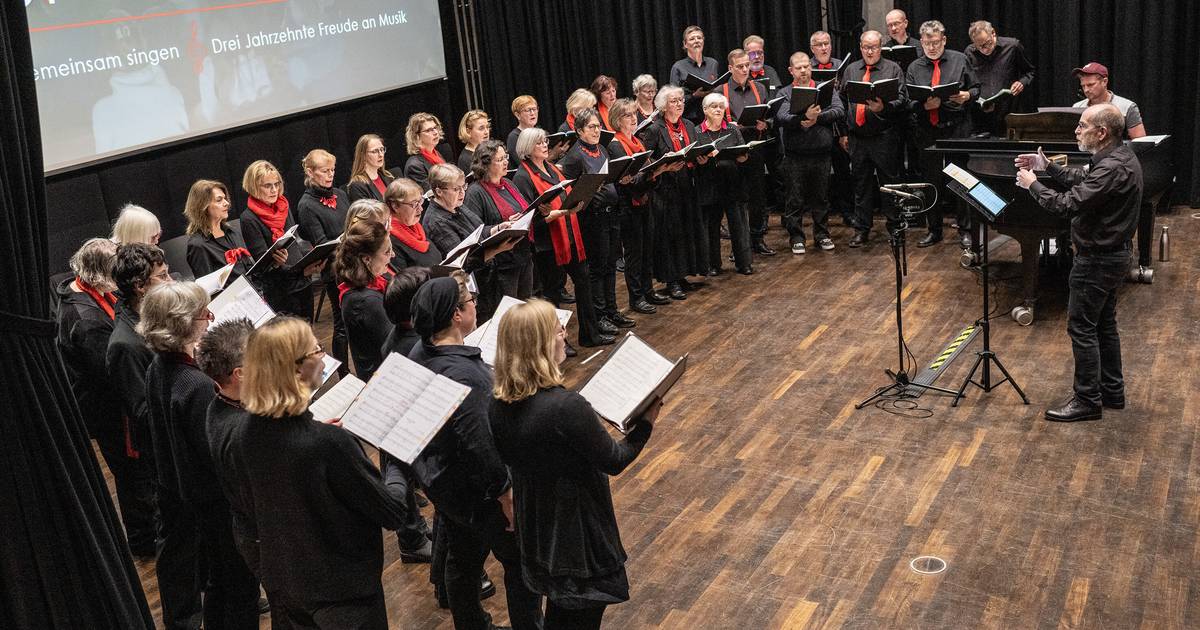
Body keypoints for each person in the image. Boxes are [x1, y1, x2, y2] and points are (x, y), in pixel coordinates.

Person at [490, 299, 659, 630]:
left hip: (538, 526)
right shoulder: (565, 407)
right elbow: (615, 459)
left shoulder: (497, 403)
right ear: (539, 344)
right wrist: (647, 424)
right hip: (575, 536)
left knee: (559, 616)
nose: (564, 334)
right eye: (557, 330)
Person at [231, 316, 404, 628]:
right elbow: (392, 512)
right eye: (316, 351)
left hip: (288, 587)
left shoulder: (245, 431)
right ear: (297, 368)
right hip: (344, 595)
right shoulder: (327, 443)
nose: (324, 357)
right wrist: (397, 461)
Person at [407, 275, 543, 630]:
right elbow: (479, 443)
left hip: (442, 479)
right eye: (469, 301)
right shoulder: (467, 376)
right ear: (455, 315)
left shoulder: (420, 352)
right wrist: (505, 493)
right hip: (477, 490)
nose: (475, 304)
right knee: (518, 563)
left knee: (462, 558)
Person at [141, 282, 259, 629]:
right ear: (182, 325)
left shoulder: (158, 368)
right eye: (202, 313)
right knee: (239, 590)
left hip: (189, 498)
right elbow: (222, 453)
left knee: (218, 586)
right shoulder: (198, 386)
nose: (210, 317)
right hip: (218, 506)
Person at [1015, 104, 1143, 422]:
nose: (1077, 130)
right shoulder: (1116, 157)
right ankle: (1112, 392)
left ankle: (1087, 399)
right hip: (1113, 256)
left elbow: (1068, 204)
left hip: (1098, 260)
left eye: (1082, 125)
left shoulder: (1112, 168)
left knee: (1082, 328)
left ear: (1102, 132)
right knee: (1104, 325)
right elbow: (1081, 177)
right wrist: (1047, 166)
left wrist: (1033, 184)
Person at [58, 239, 156, 557]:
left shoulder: (89, 290)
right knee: (132, 476)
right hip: (109, 412)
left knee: (137, 475)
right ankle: (144, 542)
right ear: (102, 276)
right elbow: (111, 371)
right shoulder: (85, 321)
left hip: (114, 403)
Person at [512, 127, 612, 347]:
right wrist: (558, 213)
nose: (545, 145)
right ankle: (559, 341)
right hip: (546, 243)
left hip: (569, 233)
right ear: (528, 149)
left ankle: (590, 335)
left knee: (584, 281)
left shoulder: (552, 168)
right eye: (539, 143)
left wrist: (574, 203)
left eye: (545, 141)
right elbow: (529, 221)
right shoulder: (522, 177)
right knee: (553, 293)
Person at [105, 243, 171, 557]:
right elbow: (143, 411)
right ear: (140, 287)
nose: (171, 281)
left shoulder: (151, 320)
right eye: (163, 276)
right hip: (160, 458)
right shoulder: (124, 344)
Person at [907, 20, 979, 249]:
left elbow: (976, 89)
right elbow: (907, 102)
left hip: (957, 127)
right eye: (927, 42)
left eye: (935, 42)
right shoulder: (914, 67)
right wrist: (922, 106)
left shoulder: (960, 59)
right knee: (932, 183)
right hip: (928, 130)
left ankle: (965, 230)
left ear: (944, 40)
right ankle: (934, 230)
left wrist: (968, 95)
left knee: (961, 179)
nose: (931, 47)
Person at [558, 109, 631, 332]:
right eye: (591, 127)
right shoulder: (574, 156)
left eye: (598, 126)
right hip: (592, 219)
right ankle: (599, 315)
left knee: (610, 265)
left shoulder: (601, 149)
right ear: (579, 131)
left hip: (611, 214)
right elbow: (569, 191)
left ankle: (612, 310)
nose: (597, 130)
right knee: (598, 268)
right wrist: (589, 189)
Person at [841, 31, 909, 247]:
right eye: (866, 47)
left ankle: (895, 228)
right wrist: (842, 132)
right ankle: (862, 229)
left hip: (883, 137)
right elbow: (842, 101)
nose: (870, 51)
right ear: (860, 47)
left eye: (874, 47)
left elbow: (903, 100)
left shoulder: (892, 68)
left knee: (889, 184)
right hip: (857, 138)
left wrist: (884, 107)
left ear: (881, 48)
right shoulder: (851, 69)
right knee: (860, 185)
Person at [776, 51, 845, 254]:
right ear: (791, 71)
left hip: (821, 153)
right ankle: (796, 236)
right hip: (795, 155)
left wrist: (818, 117)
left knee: (821, 197)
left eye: (806, 66)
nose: (804, 70)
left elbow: (839, 110)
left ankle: (822, 234)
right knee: (795, 198)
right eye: (799, 67)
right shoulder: (785, 93)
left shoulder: (824, 89)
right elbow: (782, 116)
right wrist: (802, 119)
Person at [607, 98, 672, 314]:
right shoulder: (616, 145)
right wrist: (654, 173)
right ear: (617, 119)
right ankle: (636, 297)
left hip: (645, 201)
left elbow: (643, 173)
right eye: (628, 115)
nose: (634, 118)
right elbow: (628, 181)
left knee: (647, 249)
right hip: (629, 206)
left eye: (634, 114)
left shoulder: (637, 141)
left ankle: (648, 290)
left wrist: (655, 172)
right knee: (635, 253)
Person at [239, 160, 324, 318]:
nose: (274, 190)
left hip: (302, 281)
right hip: (281, 289)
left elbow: (294, 245)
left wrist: (309, 264)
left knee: (308, 333)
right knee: (290, 340)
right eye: (267, 186)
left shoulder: (282, 206)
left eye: (277, 184)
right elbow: (262, 263)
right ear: (254, 186)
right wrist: (284, 266)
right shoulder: (249, 218)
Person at [643, 85, 706, 299]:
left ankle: (682, 274)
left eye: (680, 100)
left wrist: (701, 158)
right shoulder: (654, 129)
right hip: (665, 189)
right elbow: (646, 162)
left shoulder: (688, 125)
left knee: (685, 230)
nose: (679, 104)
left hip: (687, 185)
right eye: (673, 101)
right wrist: (665, 167)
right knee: (669, 235)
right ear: (663, 106)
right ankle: (671, 280)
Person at [464, 140, 533, 320]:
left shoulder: (508, 184)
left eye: (506, 157)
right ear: (485, 164)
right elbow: (475, 231)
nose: (505, 162)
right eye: (500, 159)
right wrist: (501, 226)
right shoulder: (475, 192)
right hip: (501, 266)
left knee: (525, 313)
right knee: (509, 318)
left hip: (522, 256)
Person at [296, 149, 350, 373]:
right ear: (310, 172)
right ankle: (344, 374)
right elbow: (321, 244)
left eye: (332, 170)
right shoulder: (306, 205)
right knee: (342, 326)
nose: (330, 175)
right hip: (335, 269)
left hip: (356, 261)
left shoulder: (340, 194)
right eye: (324, 171)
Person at [722, 48, 775, 255]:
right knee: (737, 199)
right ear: (730, 68)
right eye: (740, 66)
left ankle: (757, 238)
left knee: (757, 197)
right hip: (734, 152)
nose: (745, 70)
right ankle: (739, 245)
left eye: (747, 65)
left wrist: (766, 124)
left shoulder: (759, 88)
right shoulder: (721, 91)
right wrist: (731, 126)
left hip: (755, 148)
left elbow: (769, 116)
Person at [694, 93, 752, 274]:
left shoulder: (733, 130)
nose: (718, 109)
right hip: (709, 184)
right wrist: (700, 161)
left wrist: (743, 157)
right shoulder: (697, 132)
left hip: (733, 183)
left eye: (721, 106)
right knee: (712, 225)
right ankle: (713, 264)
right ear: (705, 110)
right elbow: (693, 160)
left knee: (739, 225)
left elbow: (743, 153)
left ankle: (744, 263)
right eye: (713, 106)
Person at [333, 218, 394, 381]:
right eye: (387, 252)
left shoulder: (367, 285)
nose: (392, 255)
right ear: (367, 259)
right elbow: (395, 345)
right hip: (383, 379)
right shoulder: (366, 301)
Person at [811, 30, 855, 227]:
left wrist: (845, 133)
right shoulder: (806, 67)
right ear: (813, 48)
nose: (823, 48)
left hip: (838, 126)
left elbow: (848, 98)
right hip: (816, 128)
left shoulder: (840, 66)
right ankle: (821, 216)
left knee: (843, 172)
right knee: (818, 175)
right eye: (819, 44)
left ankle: (848, 211)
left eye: (826, 43)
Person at [964, 20, 1035, 138]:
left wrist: (1021, 82)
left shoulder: (1013, 46)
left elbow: (1030, 71)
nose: (985, 49)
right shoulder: (970, 52)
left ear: (993, 33)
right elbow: (969, 82)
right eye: (979, 46)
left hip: (1009, 111)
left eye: (987, 43)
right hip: (982, 116)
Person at [183, 179, 254, 280]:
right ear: (203, 206)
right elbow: (209, 288)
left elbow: (249, 269)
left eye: (225, 199)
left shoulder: (232, 232)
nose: (226, 203)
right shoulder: (198, 245)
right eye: (219, 200)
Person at [424, 163, 486, 256]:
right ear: (439, 192)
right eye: (456, 189)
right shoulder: (436, 222)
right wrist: (495, 250)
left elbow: (479, 230)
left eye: (463, 186)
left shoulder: (455, 204)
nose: (462, 192)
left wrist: (498, 228)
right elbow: (462, 259)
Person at [1072, 62, 1147, 138]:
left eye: (1090, 85)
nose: (1086, 90)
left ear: (1104, 82)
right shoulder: (1077, 107)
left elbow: (1139, 141)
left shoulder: (1126, 107)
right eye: (1083, 86)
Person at [384, 179, 443, 271]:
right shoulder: (390, 241)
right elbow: (406, 281)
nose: (421, 209)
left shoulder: (416, 226)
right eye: (415, 204)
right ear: (395, 206)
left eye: (420, 202)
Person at [669, 25, 720, 123]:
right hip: (689, 119)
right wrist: (694, 96)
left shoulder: (713, 63)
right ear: (685, 44)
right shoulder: (678, 67)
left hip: (712, 117)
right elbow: (672, 98)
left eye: (699, 38)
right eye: (692, 39)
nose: (696, 41)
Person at [401, 113, 453, 191]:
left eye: (435, 128)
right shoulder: (414, 166)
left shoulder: (436, 154)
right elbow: (429, 194)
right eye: (428, 130)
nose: (435, 132)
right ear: (416, 136)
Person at [346, 134, 394, 203]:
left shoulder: (388, 177)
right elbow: (367, 213)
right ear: (363, 155)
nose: (381, 155)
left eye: (382, 149)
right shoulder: (357, 186)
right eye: (375, 151)